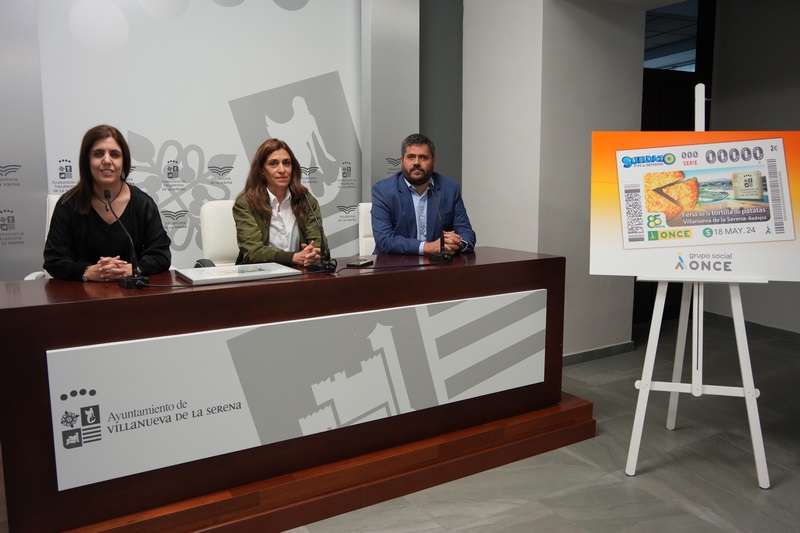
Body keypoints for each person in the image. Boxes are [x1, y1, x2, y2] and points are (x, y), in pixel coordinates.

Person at [43, 125, 172, 281]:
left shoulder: (143, 203)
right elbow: (54, 260)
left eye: (114, 154)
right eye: (98, 154)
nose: (106, 160)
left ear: (123, 162)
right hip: (81, 292)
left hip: (132, 291)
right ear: (87, 161)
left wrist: (132, 268)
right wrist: (87, 271)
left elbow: (161, 255)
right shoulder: (68, 204)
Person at [371, 133, 475, 255]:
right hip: (394, 264)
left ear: (433, 161)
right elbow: (384, 241)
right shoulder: (383, 191)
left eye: (423, 157)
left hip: (437, 263)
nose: (416, 162)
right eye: (411, 157)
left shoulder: (450, 189)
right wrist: (428, 247)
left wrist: (456, 243)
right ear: (402, 160)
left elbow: (466, 232)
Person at [233, 138, 326, 267]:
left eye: (287, 163)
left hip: (300, 272)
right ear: (261, 170)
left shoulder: (305, 200)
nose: (282, 170)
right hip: (260, 274)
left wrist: (314, 253)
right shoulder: (246, 203)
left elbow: (319, 242)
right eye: (273, 164)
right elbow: (253, 252)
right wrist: (293, 257)